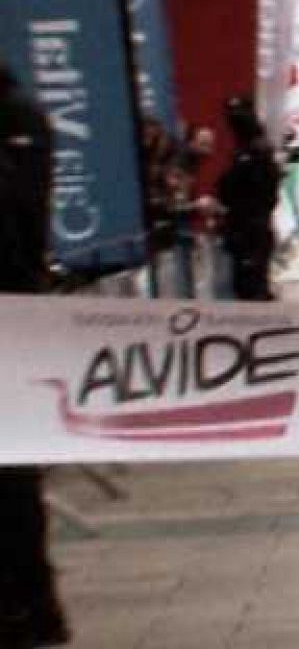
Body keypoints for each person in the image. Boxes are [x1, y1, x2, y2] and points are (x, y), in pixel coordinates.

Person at [0, 64, 71, 648]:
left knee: (12, 476)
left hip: (11, 319)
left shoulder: (18, 123)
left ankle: (29, 602)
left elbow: (17, 224)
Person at [216, 97, 282, 301]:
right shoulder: (258, 153)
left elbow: (232, 188)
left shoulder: (251, 156)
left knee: (250, 284)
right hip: (254, 224)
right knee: (255, 280)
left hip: (248, 226)